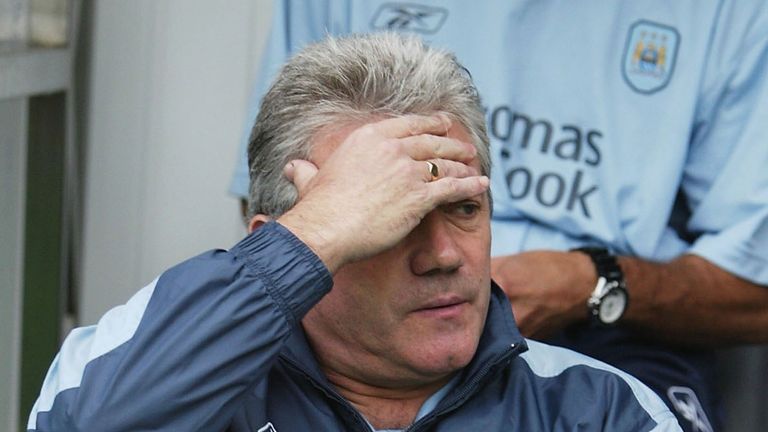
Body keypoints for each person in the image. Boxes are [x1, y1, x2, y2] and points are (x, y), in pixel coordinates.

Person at [28, 33, 680, 432]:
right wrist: (312, 238)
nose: (446, 256)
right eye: (386, 220)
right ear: (294, 240)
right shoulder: (143, 367)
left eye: (462, 208)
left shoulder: (597, 409)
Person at [228, 2, 768, 431]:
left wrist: (589, 282)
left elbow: (756, 296)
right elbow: (278, 207)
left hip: (618, 332)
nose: (444, 253)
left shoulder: (729, 14)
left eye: (466, 206)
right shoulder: (188, 354)